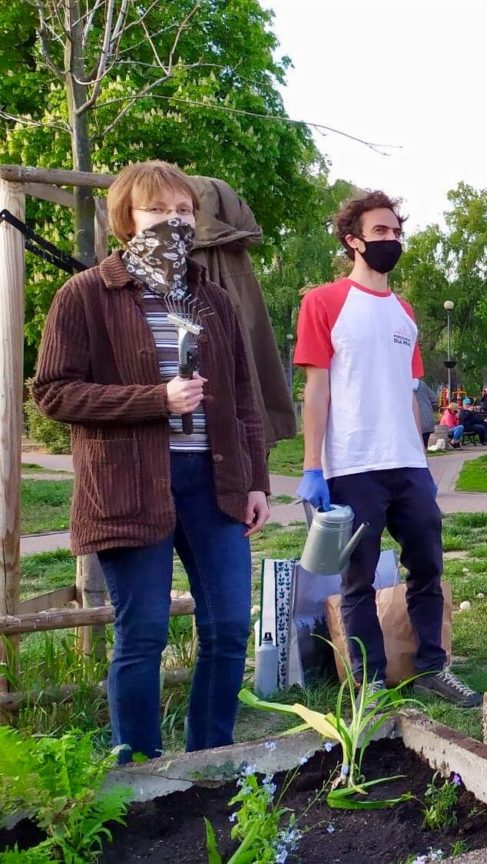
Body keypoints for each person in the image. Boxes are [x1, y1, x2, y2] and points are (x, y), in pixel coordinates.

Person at [33, 160, 270, 762]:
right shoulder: (85, 294)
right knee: (142, 635)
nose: (173, 221)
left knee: (227, 629)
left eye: (184, 211)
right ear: (126, 220)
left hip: (213, 482)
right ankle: (137, 772)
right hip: (129, 485)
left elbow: (244, 397)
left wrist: (256, 481)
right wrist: (154, 400)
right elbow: (54, 392)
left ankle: (208, 760)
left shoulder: (212, 298)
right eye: (158, 211)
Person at [293, 188, 480, 707]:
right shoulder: (323, 302)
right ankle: (369, 683)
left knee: (428, 565)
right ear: (353, 240)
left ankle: (432, 669)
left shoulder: (405, 310)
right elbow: (316, 387)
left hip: (407, 464)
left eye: (396, 231)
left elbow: (409, 389)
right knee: (358, 581)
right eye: (380, 231)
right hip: (353, 464)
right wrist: (313, 468)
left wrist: (423, 454)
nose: (391, 240)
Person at [413, 379, 435, 449]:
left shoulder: (404, 385)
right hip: (427, 420)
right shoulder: (422, 384)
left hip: (413, 422)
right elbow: (435, 398)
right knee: (424, 447)